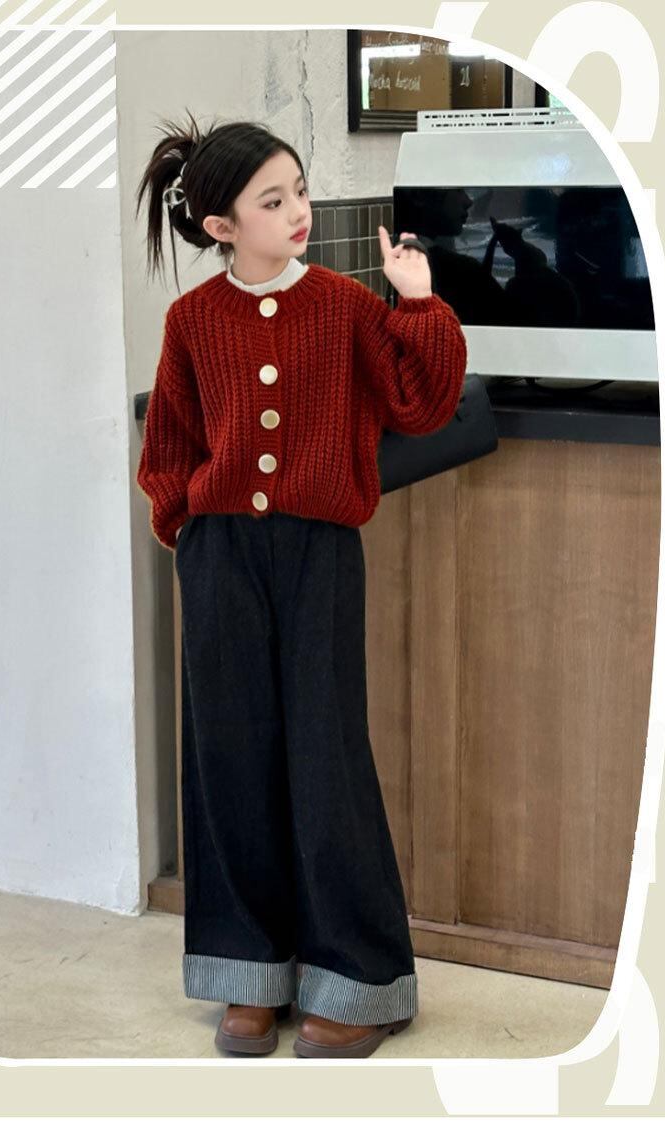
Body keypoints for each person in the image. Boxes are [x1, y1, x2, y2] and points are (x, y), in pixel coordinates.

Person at [134, 110, 467, 1059]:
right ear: (221, 226)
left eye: (300, 192)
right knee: (230, 755)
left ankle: (360, 981)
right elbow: (171, 446)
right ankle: (248, 974)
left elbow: (422, 403)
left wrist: (419, 303)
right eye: (272, 200)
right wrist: (188, 527)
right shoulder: (191, 322)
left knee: (327, 758)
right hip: (222, 556)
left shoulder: (346, 305)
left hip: (320, 552)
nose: (298, 213)